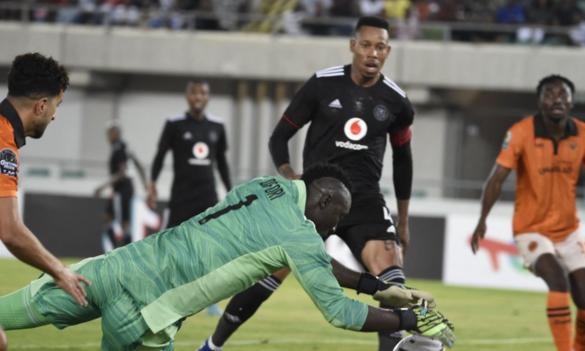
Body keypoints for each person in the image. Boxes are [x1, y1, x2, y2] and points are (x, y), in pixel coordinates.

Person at [0, 164, 455, 350]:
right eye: (337, 218)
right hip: (146, 310)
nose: (335, 229)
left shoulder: (266, 186)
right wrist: (408, 323)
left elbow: (315, 259)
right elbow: (338, 313)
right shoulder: (299, 236)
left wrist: (376, 286)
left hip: (110, 269)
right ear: (321, 205)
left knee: (6, 313)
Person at [201, 16, 417, 351]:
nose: (372, 53)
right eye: (366, 45)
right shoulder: (321, 85)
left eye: (380, 46)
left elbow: (403, 161)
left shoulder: (397, 103)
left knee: (391, 273)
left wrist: (403, 219)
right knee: (270, 272)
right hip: (317, 200)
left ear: (388, 51)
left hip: (364, 200)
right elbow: (279, 137)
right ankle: (212, 345)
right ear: (352, 46)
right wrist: (291, 177)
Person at [470, 75, 585, 351]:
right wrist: (482, 220)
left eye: (563, 94)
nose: (557, 99)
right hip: (531, 228)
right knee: (557, 280)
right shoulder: (520, 132)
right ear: (539, 102)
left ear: (571, 101)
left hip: (568, 230)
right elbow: (496, 179)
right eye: (550, 94)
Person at [0, 53, 91, 349]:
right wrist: (60, 270)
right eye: (56, 105)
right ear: (41, 105)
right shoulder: (3, 143)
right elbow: (11, 231)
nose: (54, 115)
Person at [148, 80, 232, 316]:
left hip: (208, 196)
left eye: (203, 93)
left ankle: (209, 299)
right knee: (172, 244)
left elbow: (222, 163)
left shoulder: (217, 126)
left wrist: (231, 190)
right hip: (181, 195)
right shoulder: (174, 124)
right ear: (187, 96)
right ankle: (162, 291)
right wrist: (152, 184)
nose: (198, 97)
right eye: (194, 93)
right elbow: (160, 156)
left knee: (209, 248)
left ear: (208, 97)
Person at [95, 124, 148, 250]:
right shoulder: (124, 147)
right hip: (122, 189)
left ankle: (122, 250)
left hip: (122, 189)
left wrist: (103, 186)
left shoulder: (119, 147)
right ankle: (113, 249)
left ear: (115, 133)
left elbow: (122, 172)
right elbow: (139, 164)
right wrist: (145, 183)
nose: (107, 136)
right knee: (110, 217)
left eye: (109, 133)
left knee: (123, 223)